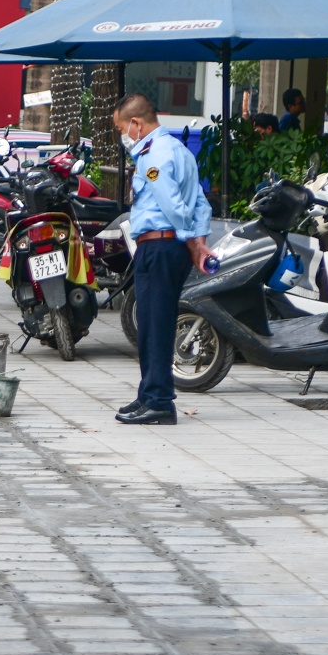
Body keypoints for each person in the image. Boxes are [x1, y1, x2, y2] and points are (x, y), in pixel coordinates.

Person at [113, 92, 212, 426]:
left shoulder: (152, 156)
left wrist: (189, 240)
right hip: (169, 247)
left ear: (136, 124)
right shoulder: (180, 150)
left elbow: (172, 205)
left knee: (154, 326)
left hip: (160, 246)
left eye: (122, 128)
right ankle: (148, 394)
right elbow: (200, 201)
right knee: (156, 323)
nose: (123, 135)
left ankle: (158, 401)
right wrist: (198, 240)